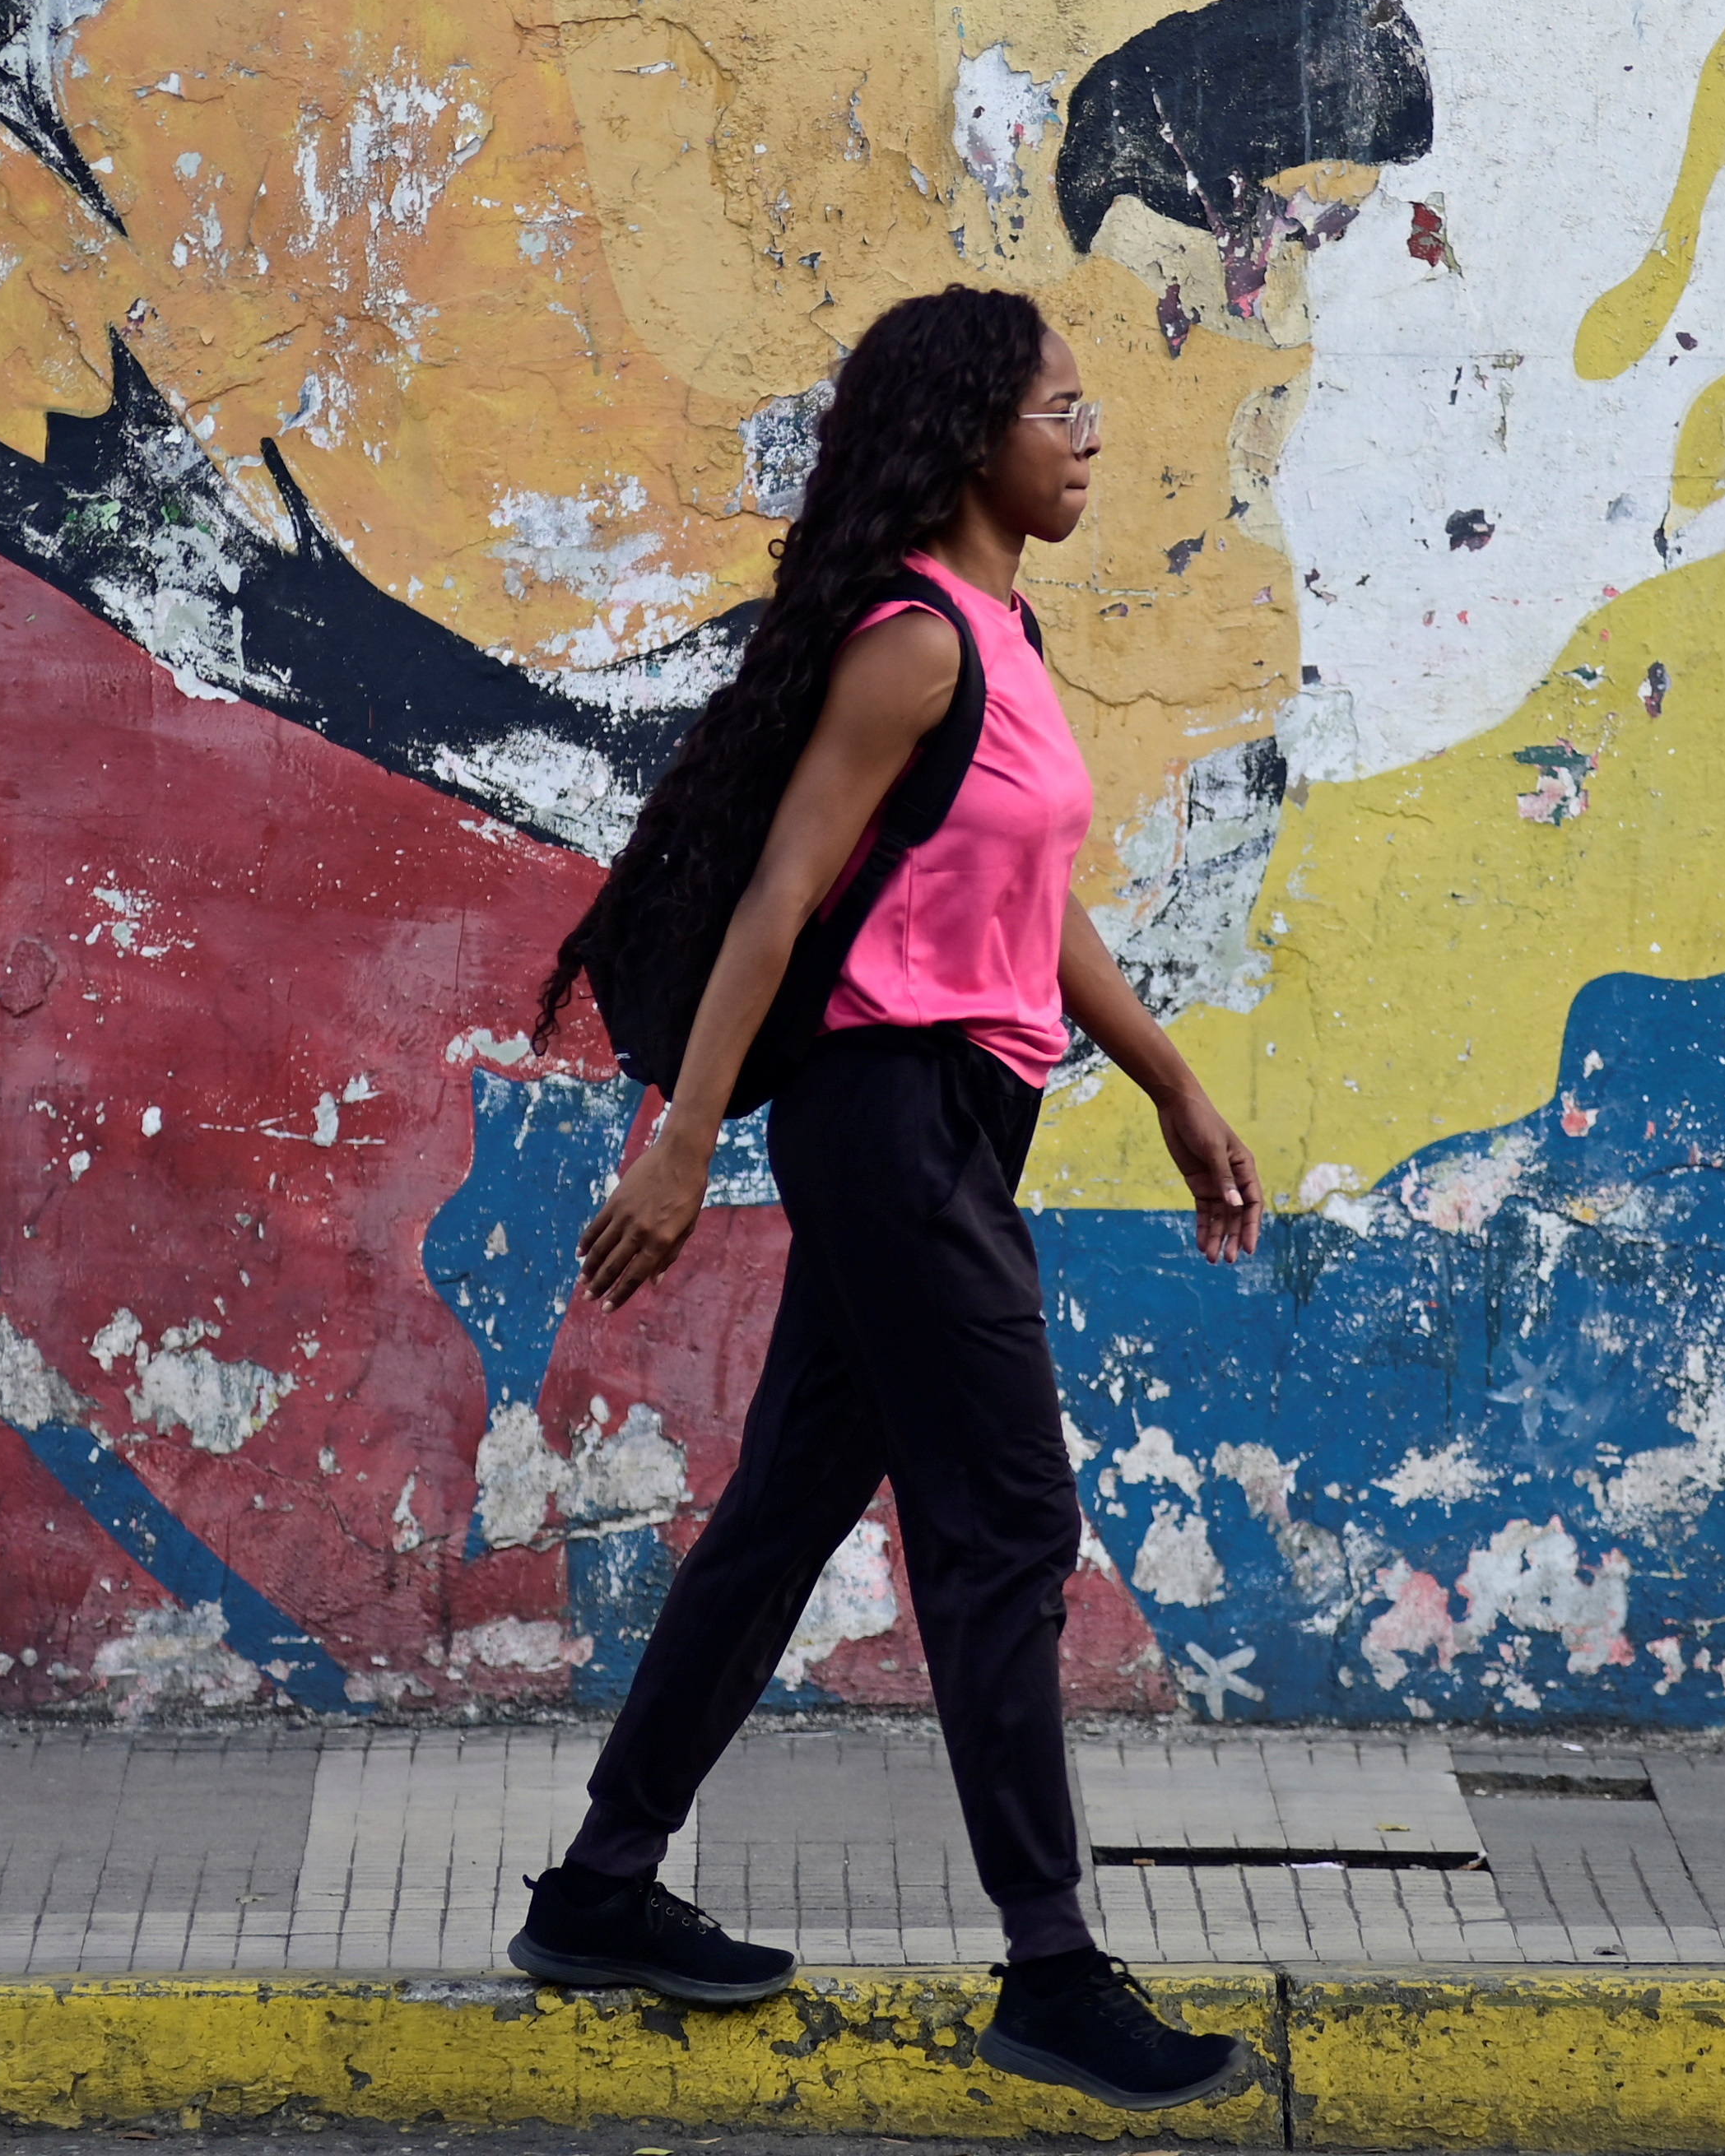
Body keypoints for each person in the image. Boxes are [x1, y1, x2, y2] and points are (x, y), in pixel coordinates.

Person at [504, 284, 1272, 2114]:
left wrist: (1168, 1079)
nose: (1090, 436)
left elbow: (1033, 902)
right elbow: (781, 892)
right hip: (890, 1117)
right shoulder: (915, 642)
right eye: (1062, 409)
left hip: (958, 1114)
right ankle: (1053, 1968)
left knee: (782, 1510)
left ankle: (601, 1887)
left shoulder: (1004, 633)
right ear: (970, 436)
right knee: (1006, 1521)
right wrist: (686, 1136)